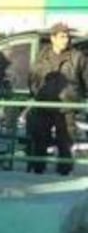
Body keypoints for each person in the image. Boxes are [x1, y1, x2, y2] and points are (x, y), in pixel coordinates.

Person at [28, 22, 88, 175]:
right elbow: (33, 79)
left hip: (67, 106)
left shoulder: (77, 57)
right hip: (44, 104)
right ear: (53, 38)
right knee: (40, 139)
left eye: (67, 36)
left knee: (66, 142)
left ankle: (64, 172)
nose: (66, 40)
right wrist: (38, 95)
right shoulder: (41, 56)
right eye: (62, 36)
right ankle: (38, 170)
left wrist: (77, 97)